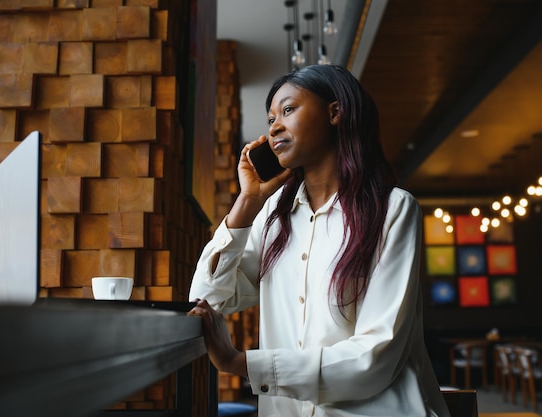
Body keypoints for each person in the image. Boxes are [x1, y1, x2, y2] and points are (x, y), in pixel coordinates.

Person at [188, 64, 450, 416]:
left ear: (335, 112)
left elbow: (377, 352)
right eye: (270, 119)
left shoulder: (392, 210)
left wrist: (240, 364)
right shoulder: (271, 220)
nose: (274, 126)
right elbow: (207, 300)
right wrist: (247, 202)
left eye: (288, 109)